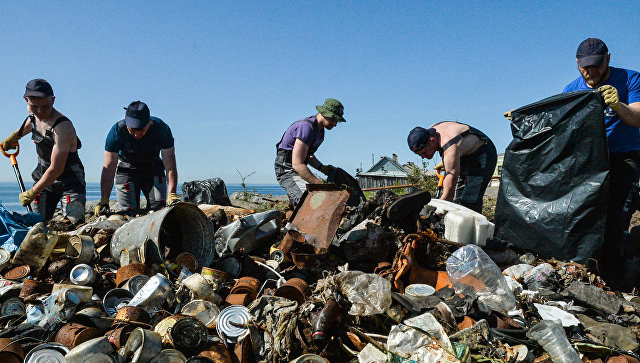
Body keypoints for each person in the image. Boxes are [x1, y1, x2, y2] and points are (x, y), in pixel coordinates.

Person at [562, 38, 640, 276]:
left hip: (625, 154)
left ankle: (614, 271)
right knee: (587, 212)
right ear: (577, 64)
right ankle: (587, 264)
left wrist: (619, 106)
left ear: (608, 59)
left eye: (596, 65)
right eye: (585, 67)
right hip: (591, 159)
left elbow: (637, 117)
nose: (591, 71)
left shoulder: (631, 79)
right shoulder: (572, 90)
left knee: (617, 212)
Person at [0, 79, 86, 223]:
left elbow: (56, 168)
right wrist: (13, 138)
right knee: (35, 224)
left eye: (45, 107)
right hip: (42, 177)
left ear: (53, 100)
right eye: (34, 107)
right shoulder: (33, 116)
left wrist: (32, 192)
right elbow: (30, 123)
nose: (40, 112)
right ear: (26, 100)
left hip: (70, 182)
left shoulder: (63, 127)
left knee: (72, 226)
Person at [95, 101, 179, 216]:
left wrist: (172, 194)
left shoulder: (161, 129)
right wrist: (104, 199)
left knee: (159, 209)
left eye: (141, 130)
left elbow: (170, 165)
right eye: (132, 130)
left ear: (149, 122)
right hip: (127, 170)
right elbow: (108, 169)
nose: (136, 134)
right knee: (128, 212)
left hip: (153, 168)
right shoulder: (117, 131)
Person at [407, 122, 497, 213]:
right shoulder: (430, 133)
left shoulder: (450, 146)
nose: (423, 157)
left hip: (483, 153)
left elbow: (449, 191)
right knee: (457, 200)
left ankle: (473, 225)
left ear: (432, 140)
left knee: (469, 199)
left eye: (424, 153)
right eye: (419, 155)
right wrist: (446, 161)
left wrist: (438, 211)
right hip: (463, 154)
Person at [275, 98, 345, 205]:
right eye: (333, 119)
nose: (335, 124)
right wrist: (319, 184)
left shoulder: (320, 132)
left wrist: (322, 168)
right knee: (310, 201)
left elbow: (308, 155)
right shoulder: (306, 127)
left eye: (337, 121)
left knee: (320, 200)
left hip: (297, 168)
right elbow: (297, 164)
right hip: (287, 170)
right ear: (323, 113)